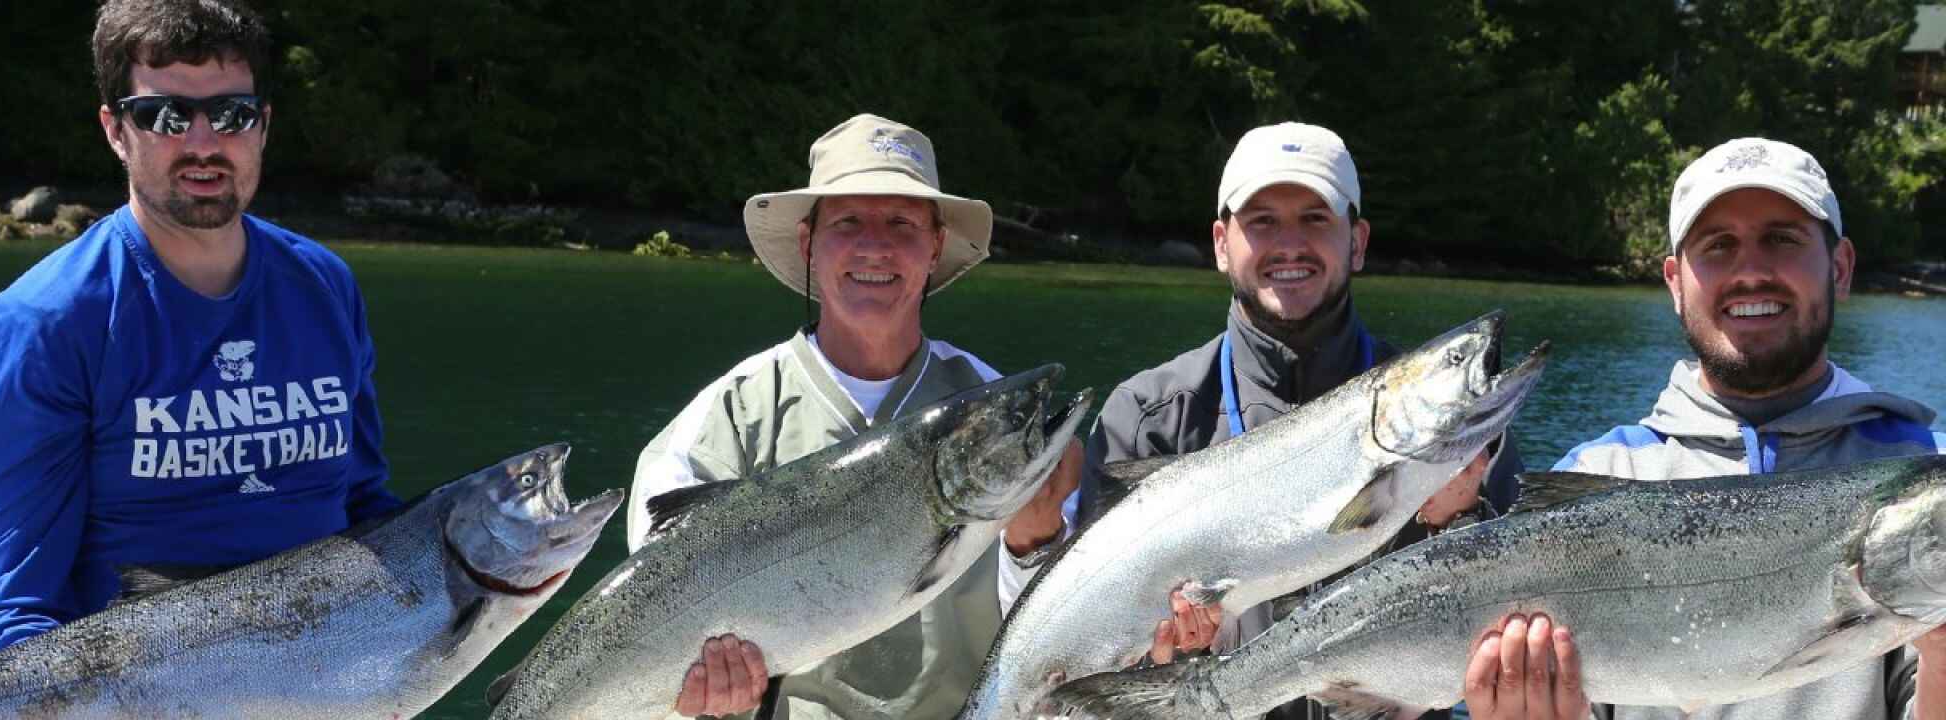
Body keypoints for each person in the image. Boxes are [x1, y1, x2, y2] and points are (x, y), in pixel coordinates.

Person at [0, 0, 401, 656]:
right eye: (164, 115)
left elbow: (367, 506)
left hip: (338, 679)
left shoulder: (324, 285)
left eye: (232, 115)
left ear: (264, 125)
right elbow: (21, 609)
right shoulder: (39, 327)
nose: (203, 143)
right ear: (115, 130)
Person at [1459, 138, 1946, 720]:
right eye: (1718, 246)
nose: (1752, 272)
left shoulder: (1925, 477)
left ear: (1839, 267)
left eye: (1782, 239)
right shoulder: (1596, 475)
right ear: (1674, 283)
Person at [627, 113, 1081, 719]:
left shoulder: (1002, 416)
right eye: (848, 222)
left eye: (901, 222)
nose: (876, 245)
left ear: (935, 245)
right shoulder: (725, 419)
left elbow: (1059, 640)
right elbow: (647, 625)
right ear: (810, 243)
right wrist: (703, 694)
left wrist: (1035, 539)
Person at [1074, 122, 1522, 720]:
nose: (1290, 244)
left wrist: (1457, 519)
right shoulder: (1146, 415)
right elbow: (1091, 652)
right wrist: (1165, 650)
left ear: (1357, 242)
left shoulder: (1458, 416)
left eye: (1315, 219)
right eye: (1261, 221)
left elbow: (1519, 622)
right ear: (1219, 243)